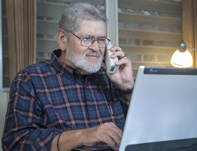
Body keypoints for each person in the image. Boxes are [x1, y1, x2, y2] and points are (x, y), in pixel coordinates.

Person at [1, 2, 134, 151]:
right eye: (87, 38)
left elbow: (140, 132)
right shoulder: (30, 80)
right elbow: (16, 143)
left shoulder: (110, 78)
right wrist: (82, 136)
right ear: (62, 39)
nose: (96, 48)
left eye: (101, 40)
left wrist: (127, 87)